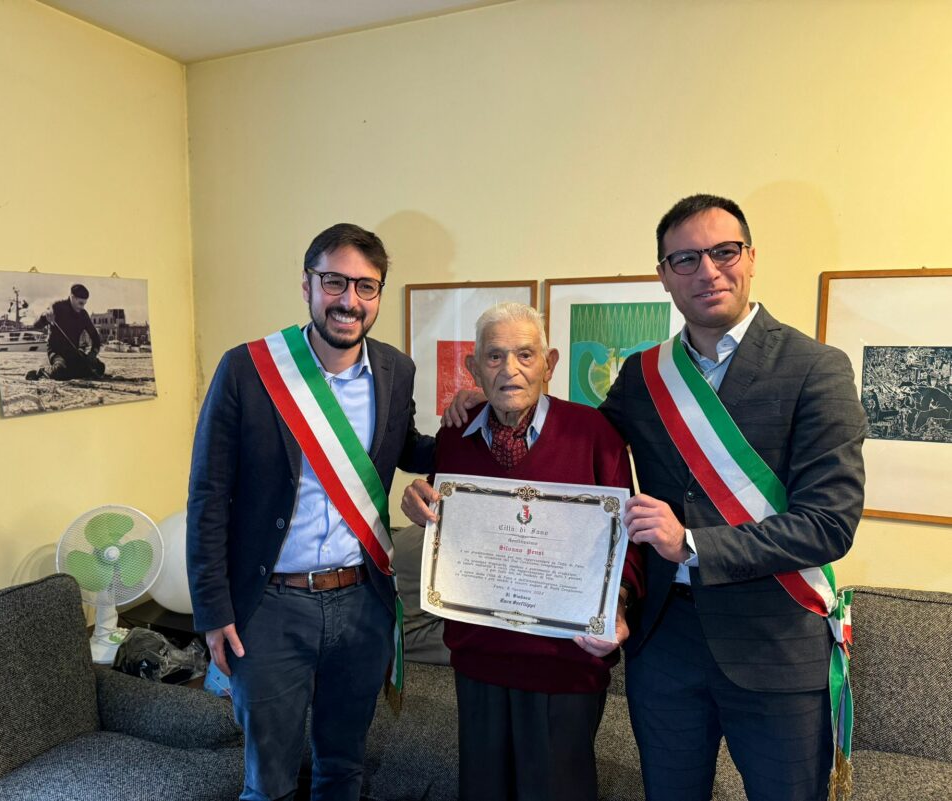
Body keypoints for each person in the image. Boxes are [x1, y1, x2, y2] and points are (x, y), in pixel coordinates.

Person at [445, 195, 866, 801]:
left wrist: (691, 543)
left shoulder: (816, 368)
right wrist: (489, 403)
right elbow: (573, 448)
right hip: (664, 644)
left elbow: (829, 524)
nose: (708, 271)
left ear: (751, 258)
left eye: (724, 252)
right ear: (665, 275)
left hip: (774, 645)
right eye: (686, 259)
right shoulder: (644, 374)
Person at [187, 223, 434, 801]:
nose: (350, 300)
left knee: (343, 769)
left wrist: (471, 420)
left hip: (362, 602)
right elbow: (207, 495)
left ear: (378, 295)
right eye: (334, 282)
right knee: (268, 783)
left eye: (366, 286)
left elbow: (404, 448)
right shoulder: (247, 369)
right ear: (307, 285)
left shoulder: (396, 370)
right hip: (271, 607)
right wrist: (212, 610)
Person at [401, 302, 643, 801]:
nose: (509, 369)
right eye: (494, 356)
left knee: (558, 790)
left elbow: (629, 539)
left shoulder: (593, 434)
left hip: (565, 660)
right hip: (480, 656)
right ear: (473, 369)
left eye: (525, 355)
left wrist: (618, 603)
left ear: (549, 364)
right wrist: (418, 500)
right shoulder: (455, 435)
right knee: (484, 789)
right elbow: (446, 517)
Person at [26, 283, 105, 380]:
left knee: (99, 368)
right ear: (72, 297)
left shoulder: (83, 315)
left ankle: (72, 371)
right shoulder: (57, 307)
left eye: (84, 304)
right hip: (56, 351)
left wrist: (93, 353)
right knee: (60, 371)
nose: (82, 307)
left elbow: (95, 337)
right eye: (80, 303)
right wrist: (44, 317)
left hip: (73, 352)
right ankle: (42, 371)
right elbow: (36, 325)